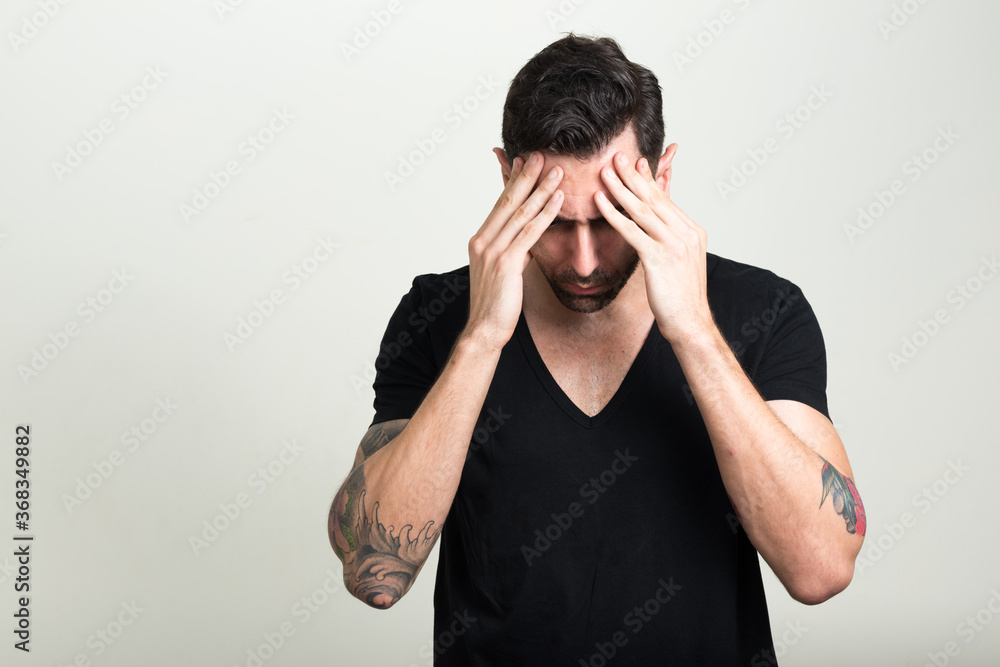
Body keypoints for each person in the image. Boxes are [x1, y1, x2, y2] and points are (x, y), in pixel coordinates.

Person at [328, 33, 866, 666]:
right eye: (556, 222)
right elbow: (374, 575)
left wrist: (695, 332)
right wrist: (481, 339)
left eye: (610, 220)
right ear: (507, 179)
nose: (583, 262)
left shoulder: (764, 310)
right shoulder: (436, 316)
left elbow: (820, 569)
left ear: (661, 177)